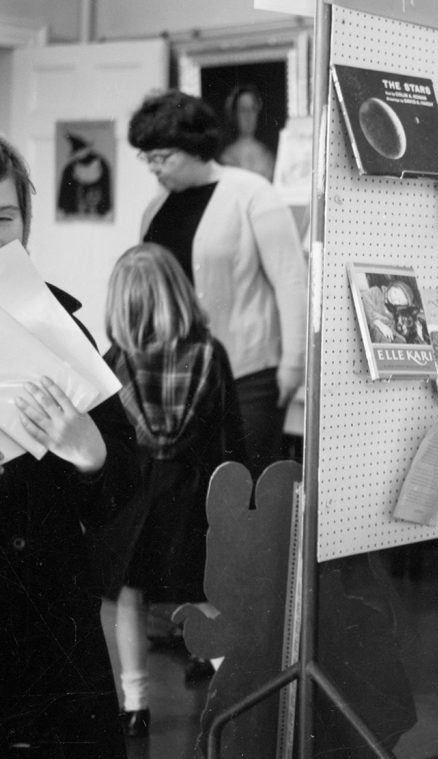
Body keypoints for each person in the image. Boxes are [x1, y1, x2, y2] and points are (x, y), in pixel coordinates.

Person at [0, 121, 137, 759]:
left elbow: (125, 483)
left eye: (3, 216)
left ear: (26, 225)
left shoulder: (63, 327)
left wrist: (91, 453)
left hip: (52, 641)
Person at [93, 243, 246, 738]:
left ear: (120, 304)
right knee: (205, 595)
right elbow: (231, 439)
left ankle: (135, 705)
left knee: (128, 601)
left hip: (135, 509)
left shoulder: (111, 363)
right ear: (178, 294)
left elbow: (107, 448)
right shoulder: (209, 354)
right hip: (193, 502)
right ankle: (237, 692)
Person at [128, 88, 307, 479]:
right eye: (148, 158)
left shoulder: (252, 194)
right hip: (178, 373)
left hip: (250, 373)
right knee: (193, 490)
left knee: (248, 484)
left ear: (195, 147)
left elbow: (292, 281)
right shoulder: (154, 209)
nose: (155, 168)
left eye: (163, 157)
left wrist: (294, 364)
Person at [219, 83, 276, 180]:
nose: (249, 116)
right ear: (234, 114)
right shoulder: (227, 156)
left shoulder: (267, 154)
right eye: (243, 110)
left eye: (253, 109)